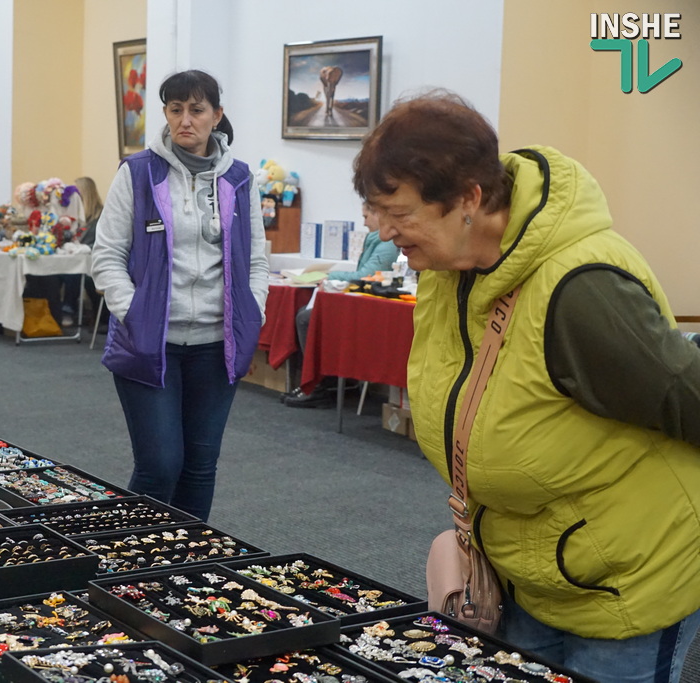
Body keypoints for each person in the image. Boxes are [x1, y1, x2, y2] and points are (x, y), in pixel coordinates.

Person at [353, 90, 700, 682]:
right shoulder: (450, 268)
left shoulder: (582, 292)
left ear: (469, 198)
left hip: (626, 583)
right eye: (372, 209)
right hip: (532, 573)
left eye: (399, 212)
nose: (384, 232)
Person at [92, 69, 269, 522]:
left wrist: (254, 312)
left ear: (217, 115)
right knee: (159, 465)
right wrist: (135, 312)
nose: (185, 120)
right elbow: (107, 255)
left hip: (217, 346)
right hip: (151, 343)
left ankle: (189, 567)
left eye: (196, 110)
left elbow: (257, 260)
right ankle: (126, 557)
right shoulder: (137, 173)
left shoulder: (241, 179)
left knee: (198, 468)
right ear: (166, 113)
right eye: (175, 110)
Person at [282, 201, 400, 407]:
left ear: (379, 215)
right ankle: (321, 381)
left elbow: (366, 275)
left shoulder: (386, 243)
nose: (363, 223)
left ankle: (319, 385)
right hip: (364, 305)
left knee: (306, 318)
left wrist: (329, 275)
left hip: (369, 312)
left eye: (365, 217)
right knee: (305, 315)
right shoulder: (376, 240)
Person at [61, 176, 105, 325]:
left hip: (94, 261)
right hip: (77, 258)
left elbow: (102, 243)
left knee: (73, 274)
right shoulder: (75, 217)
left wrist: (85, 248)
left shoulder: (101, 216)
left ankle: (68, 310)